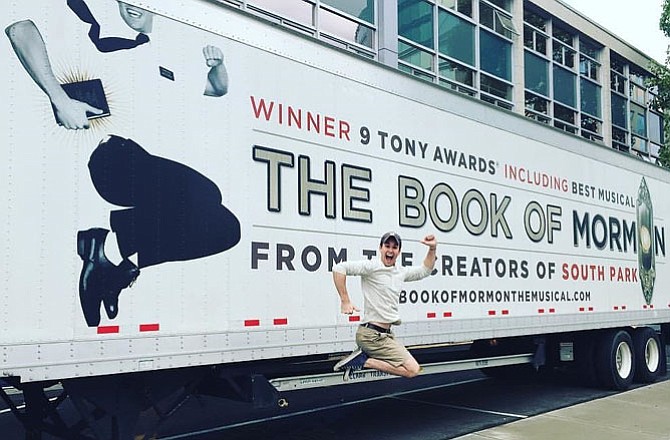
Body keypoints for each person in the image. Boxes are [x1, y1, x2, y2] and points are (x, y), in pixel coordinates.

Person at [5, 1, 240, 327]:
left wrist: (218, 65)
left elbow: (218, 87)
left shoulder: (167, 58)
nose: (131, 5)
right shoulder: (94, 30)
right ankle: (109, 247)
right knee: (206, 192)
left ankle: (113, 268)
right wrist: (59, 99)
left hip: (149, 171)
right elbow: (21, 30)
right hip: (113, 159)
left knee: (225, 229)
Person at [332, 232, 437, 380]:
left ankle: (363, 359)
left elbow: (425, 270)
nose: (390, 250)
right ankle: (364, 361)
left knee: (411, 369)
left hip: (385, 335)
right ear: (380, 248)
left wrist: (432, 249)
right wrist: (345, 300)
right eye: (387, 246)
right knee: (413, 370)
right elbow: (339, 268)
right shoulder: (372, 267)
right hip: (371, 336)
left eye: (394, 247)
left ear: (399, 251)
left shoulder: (400, 272)